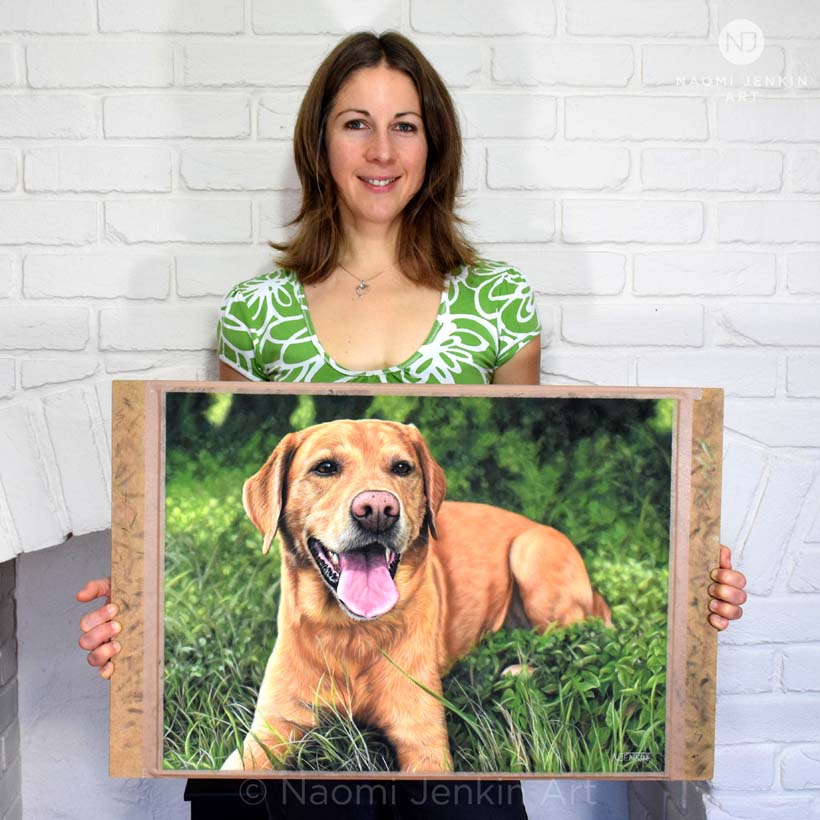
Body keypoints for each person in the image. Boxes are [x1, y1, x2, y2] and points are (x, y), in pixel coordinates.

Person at [77, 30, 747, 820]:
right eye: (356, 122)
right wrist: (139, 604)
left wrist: (696, 593)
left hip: (427, 615)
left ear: (435, 144)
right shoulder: (255, 313)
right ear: (319, 140)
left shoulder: (499, 303)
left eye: (406, 125)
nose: (381, 149)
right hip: (307, 631)